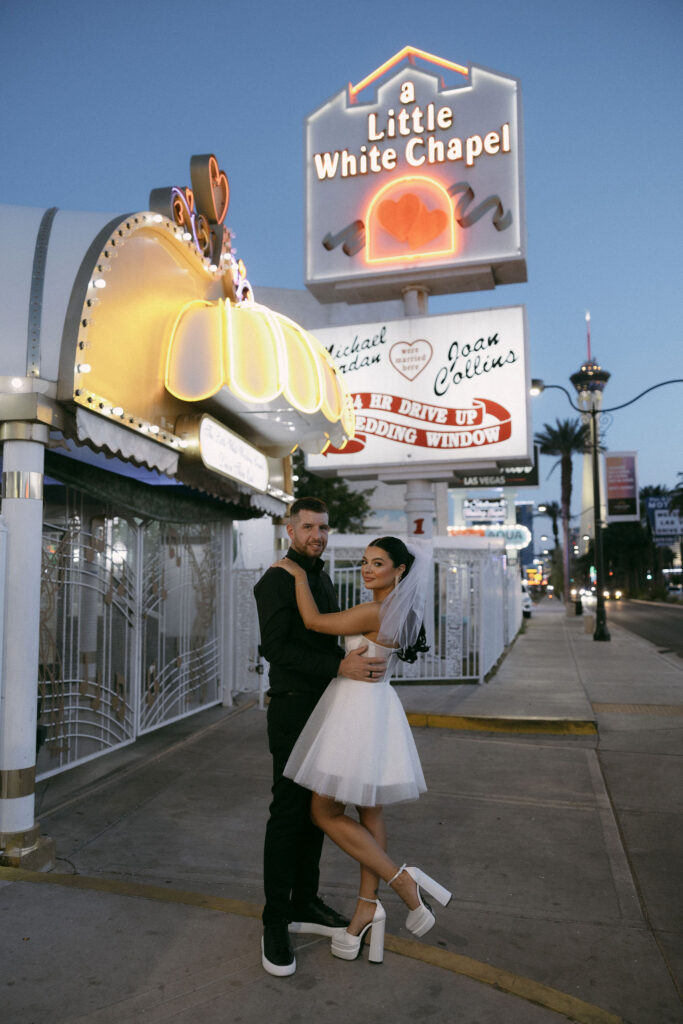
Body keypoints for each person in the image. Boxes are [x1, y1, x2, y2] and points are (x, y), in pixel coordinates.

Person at [272, 535, 451, 966]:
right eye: (365, 562)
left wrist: (295, 573)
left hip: (355, 710)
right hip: (376, 708)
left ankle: (401, 880)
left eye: (378, 563)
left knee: (324, 813)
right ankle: (366, 907)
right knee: (370, 813)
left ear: (399, 571)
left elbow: (314, 622)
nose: (368, 570)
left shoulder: (375, 610)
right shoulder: (397, 610)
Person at [254, 497, 387, 977]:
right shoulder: (277, 579)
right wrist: (339, 665)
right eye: (308, 526)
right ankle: (274, 921)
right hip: (292, 708)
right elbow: (275, 647)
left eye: (323, 527)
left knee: (318, 814)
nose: (317, 534)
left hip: (329, 709)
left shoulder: (320, 577)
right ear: (290, 530)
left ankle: (304, 902)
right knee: (289, 814)